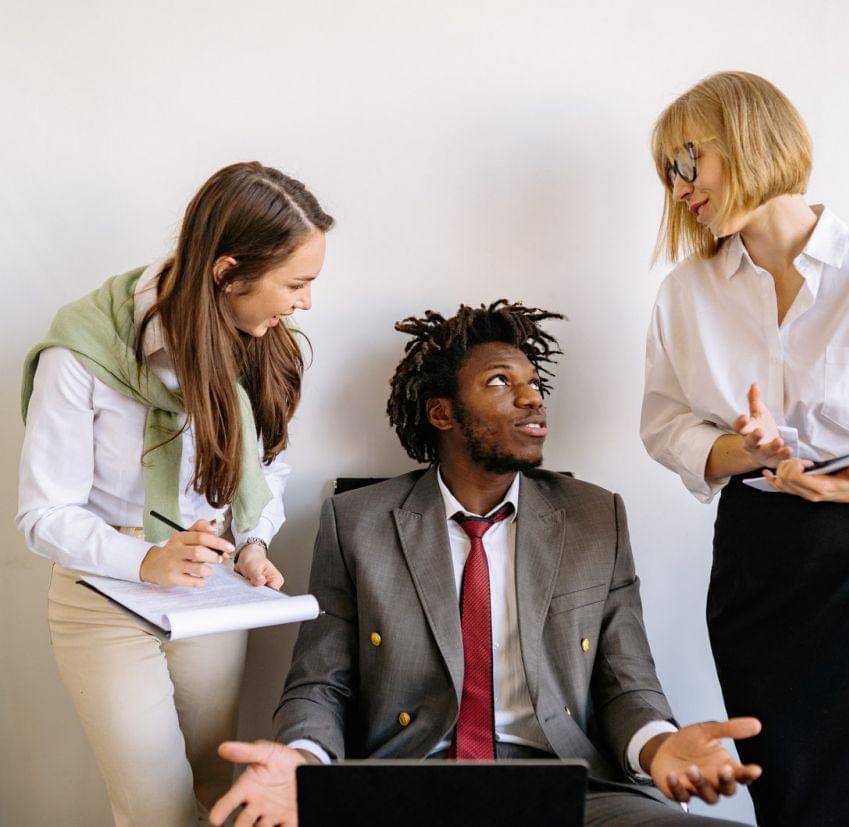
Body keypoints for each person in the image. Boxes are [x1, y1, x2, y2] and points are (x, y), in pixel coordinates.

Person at [210, 300, 762, 827]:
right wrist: (303, 761)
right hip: (410, 785)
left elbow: (626, 684)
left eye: (534, 385)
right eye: (500, 382)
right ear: (442, 412)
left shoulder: (595, 517)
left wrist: (660, 748)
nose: (531, 399)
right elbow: (320, 684)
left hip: (571, 787)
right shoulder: (357, 522)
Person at [640, 71, 849, 826]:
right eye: (669, 174)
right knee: (787, 804)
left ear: (750, 139)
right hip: (756, 565)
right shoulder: (686, 293)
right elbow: (664, 425)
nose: (680, 188)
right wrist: (744, 449)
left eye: (689, 162)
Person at [17, 161, 334, 826]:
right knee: (158, 811)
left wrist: (251, 543)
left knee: (221, 789)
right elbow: (43, 514)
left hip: (208, 586)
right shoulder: (83, 351)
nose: (305, 302)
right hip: (103, 595)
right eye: (296, 283)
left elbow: (268, 464)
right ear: (227, 272)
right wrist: (146, 560)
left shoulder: (260, 342)